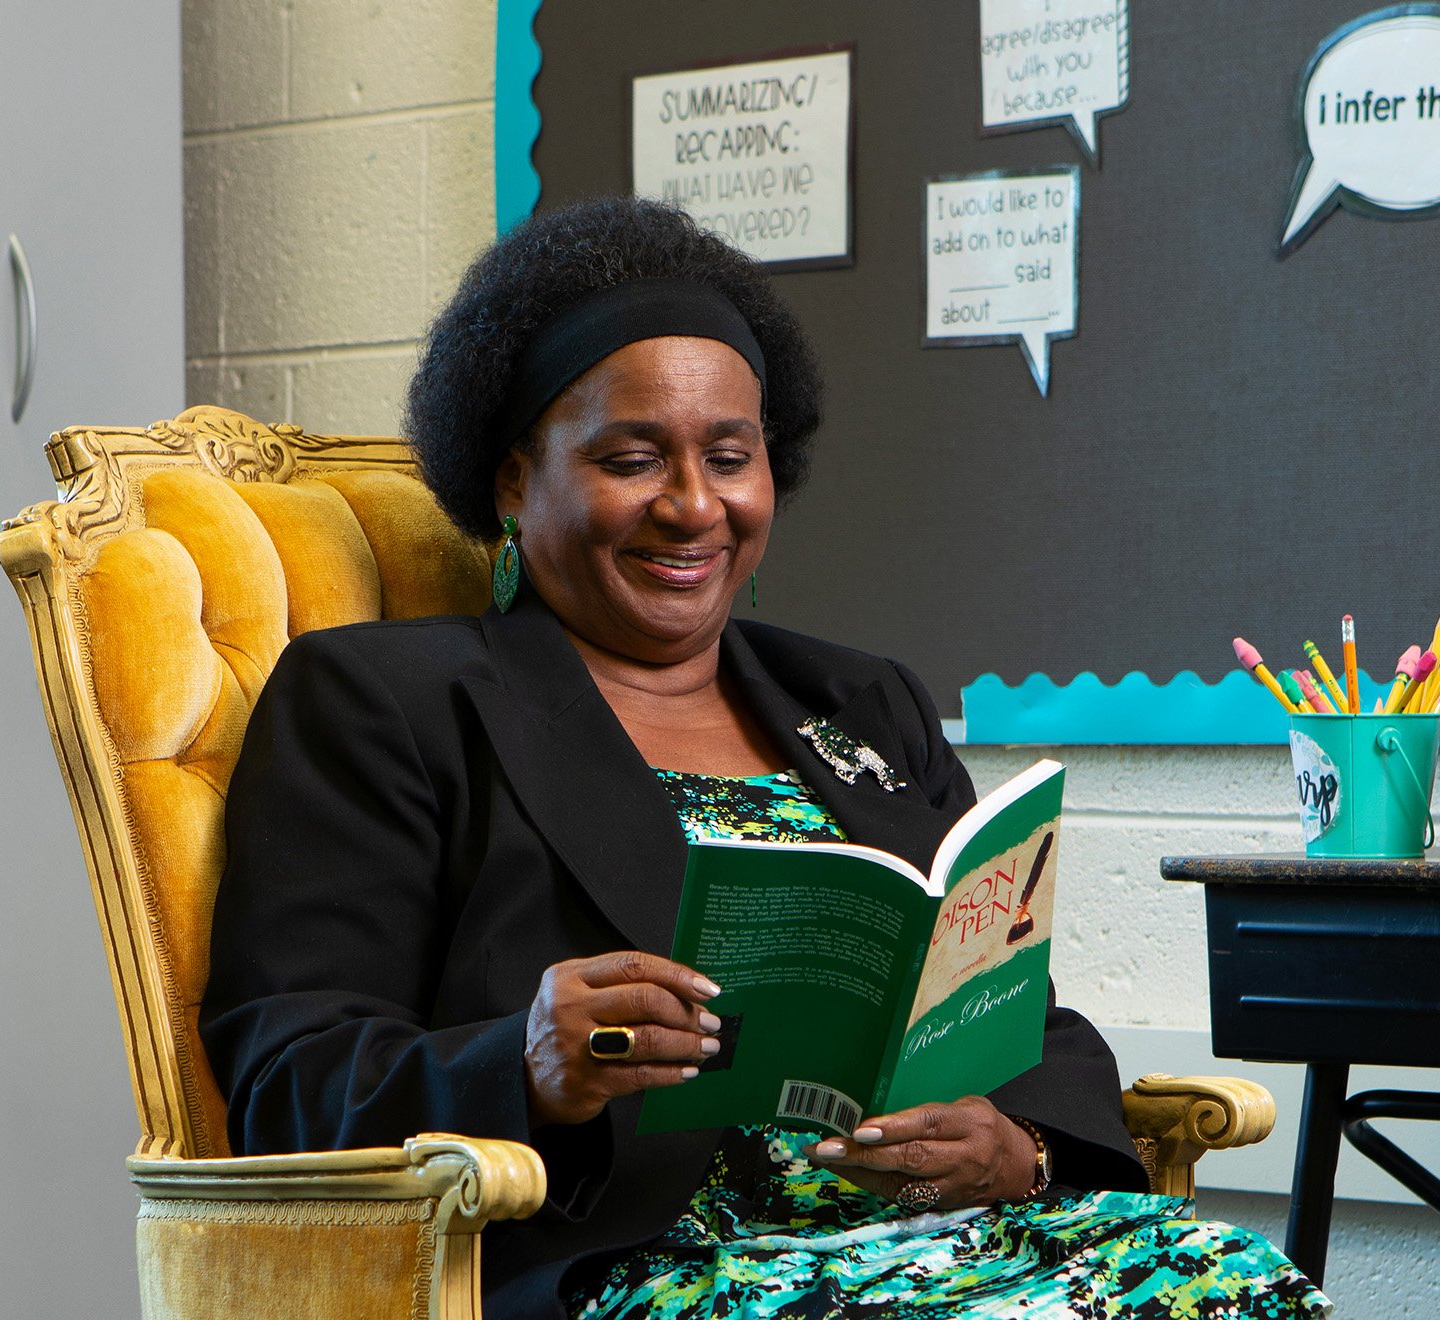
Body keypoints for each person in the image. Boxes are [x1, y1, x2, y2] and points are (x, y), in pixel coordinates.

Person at [200, 196, 1328, 1320]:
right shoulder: (383, 703)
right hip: (652, 1257)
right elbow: (284, 1082)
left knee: (1240, 1284)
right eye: (632, 458)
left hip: (951, 1232)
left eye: (729, 457)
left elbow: (1010, 1008)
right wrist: (525, 1063)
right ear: (510, 481)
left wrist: (1020, 1144)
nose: (694, 507)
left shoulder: (861, 700)